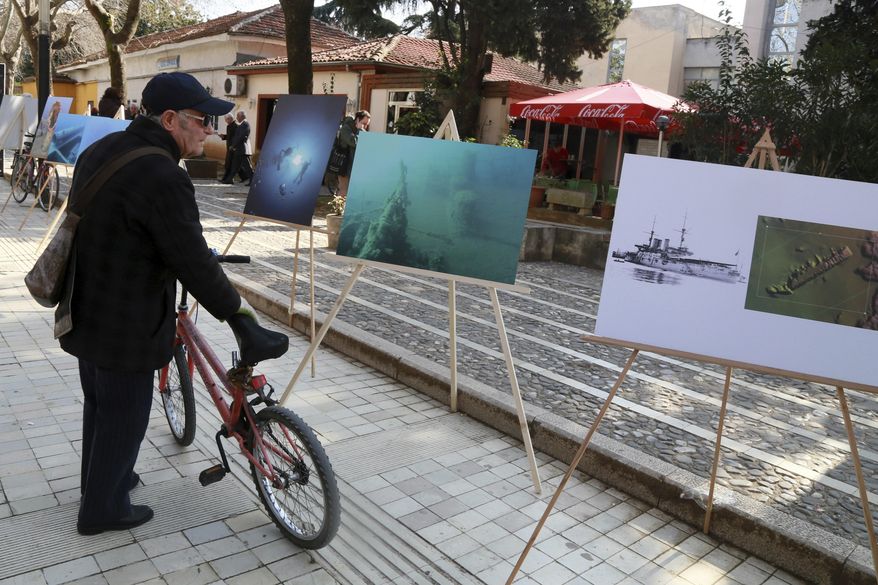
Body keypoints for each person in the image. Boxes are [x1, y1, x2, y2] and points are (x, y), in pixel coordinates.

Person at [59, 72, 253, 535]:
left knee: (101, 405)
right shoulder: (163, 175)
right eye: (202, 120)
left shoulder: (103, 148)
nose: (210, 129)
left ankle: (106, 481)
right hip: (126, 316)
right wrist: (238, 314)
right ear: (169, 119)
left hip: (84, 306)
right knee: (125, 411)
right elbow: (192, 260)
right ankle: (103, 510)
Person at [325, 110, 370, 198]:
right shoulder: (346, 128)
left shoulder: (359, 130)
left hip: (354, 166)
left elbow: (366, 142)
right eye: (364, 123)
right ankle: (339, 210)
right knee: (344, 191)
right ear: (357, 120)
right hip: (344, 165)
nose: (365, 126)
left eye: (367, 124)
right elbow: (353, 142)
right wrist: (360, 130)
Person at [224, 110, 253, 184]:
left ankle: (252, 180)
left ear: (242, 117)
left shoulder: (245, 124)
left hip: (243, 149)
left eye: (237, 116)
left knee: (247, 167)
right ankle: (229, 179)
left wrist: (233, 145)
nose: (236, 118)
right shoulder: (241, 124)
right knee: (235, 165)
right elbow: (237, 137)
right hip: (239, 149)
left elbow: (241, 137)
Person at [218, 114, 238, 183]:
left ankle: (228, 179)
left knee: (229, 164)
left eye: (226, 120)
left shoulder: (235, 126)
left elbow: (236, 138)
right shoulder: (229, 126)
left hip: (232, 148)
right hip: (229, 147)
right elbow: (229, 136)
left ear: (229, 119)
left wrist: (233, 146)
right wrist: (223, 136)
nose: (225, 121)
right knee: (228, 164)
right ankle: (226, 179)